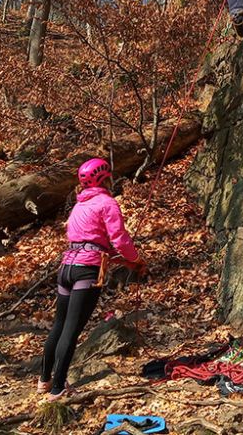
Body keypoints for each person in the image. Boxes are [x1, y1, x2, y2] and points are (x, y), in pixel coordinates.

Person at [38, 158, 144, 401]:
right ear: (106, 178)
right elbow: (118, 239)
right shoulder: (107, 203)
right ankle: (58, 390)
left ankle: (44, 380)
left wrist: (124, 259)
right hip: (86, 270)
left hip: (66, 268)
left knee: (59, 325)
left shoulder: (79, 205)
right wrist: (135, 259)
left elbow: (94, 242)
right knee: (71, 330)